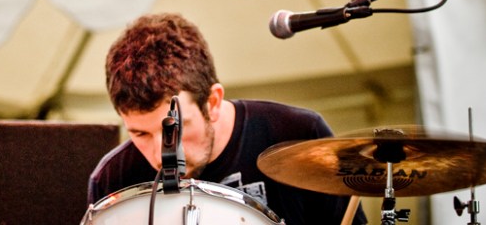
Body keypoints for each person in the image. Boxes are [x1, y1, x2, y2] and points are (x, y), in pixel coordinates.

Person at [87, 12, 367, 225]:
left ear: (213, 101)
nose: (160, 153)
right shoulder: (113, 179)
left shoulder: (298, 135)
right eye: (139, 134)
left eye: (174, 129)